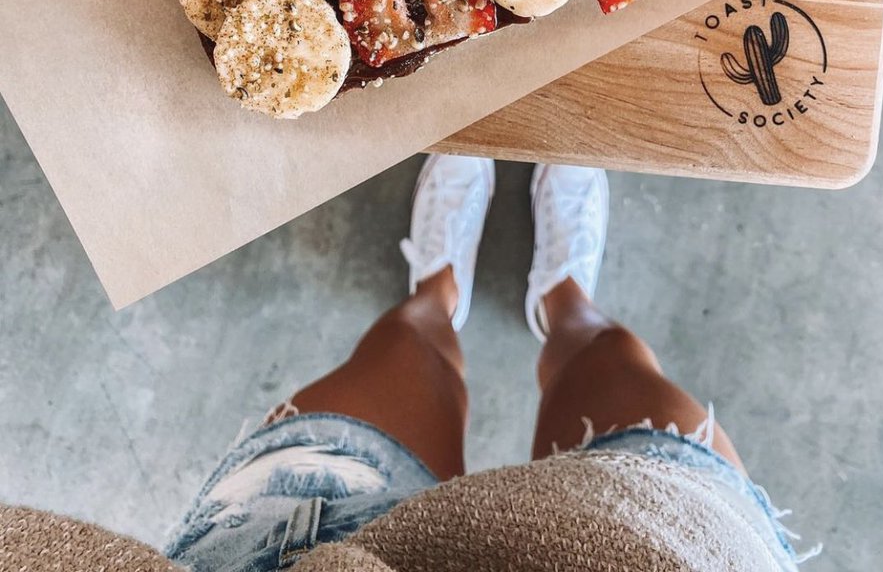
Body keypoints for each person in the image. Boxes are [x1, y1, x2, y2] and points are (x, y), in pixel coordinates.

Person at [2, 157, 818, 571]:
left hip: (292, 548)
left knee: (407, 346)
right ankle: (562, 293)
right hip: (662, 542)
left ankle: (438, 288)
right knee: (607, 354)